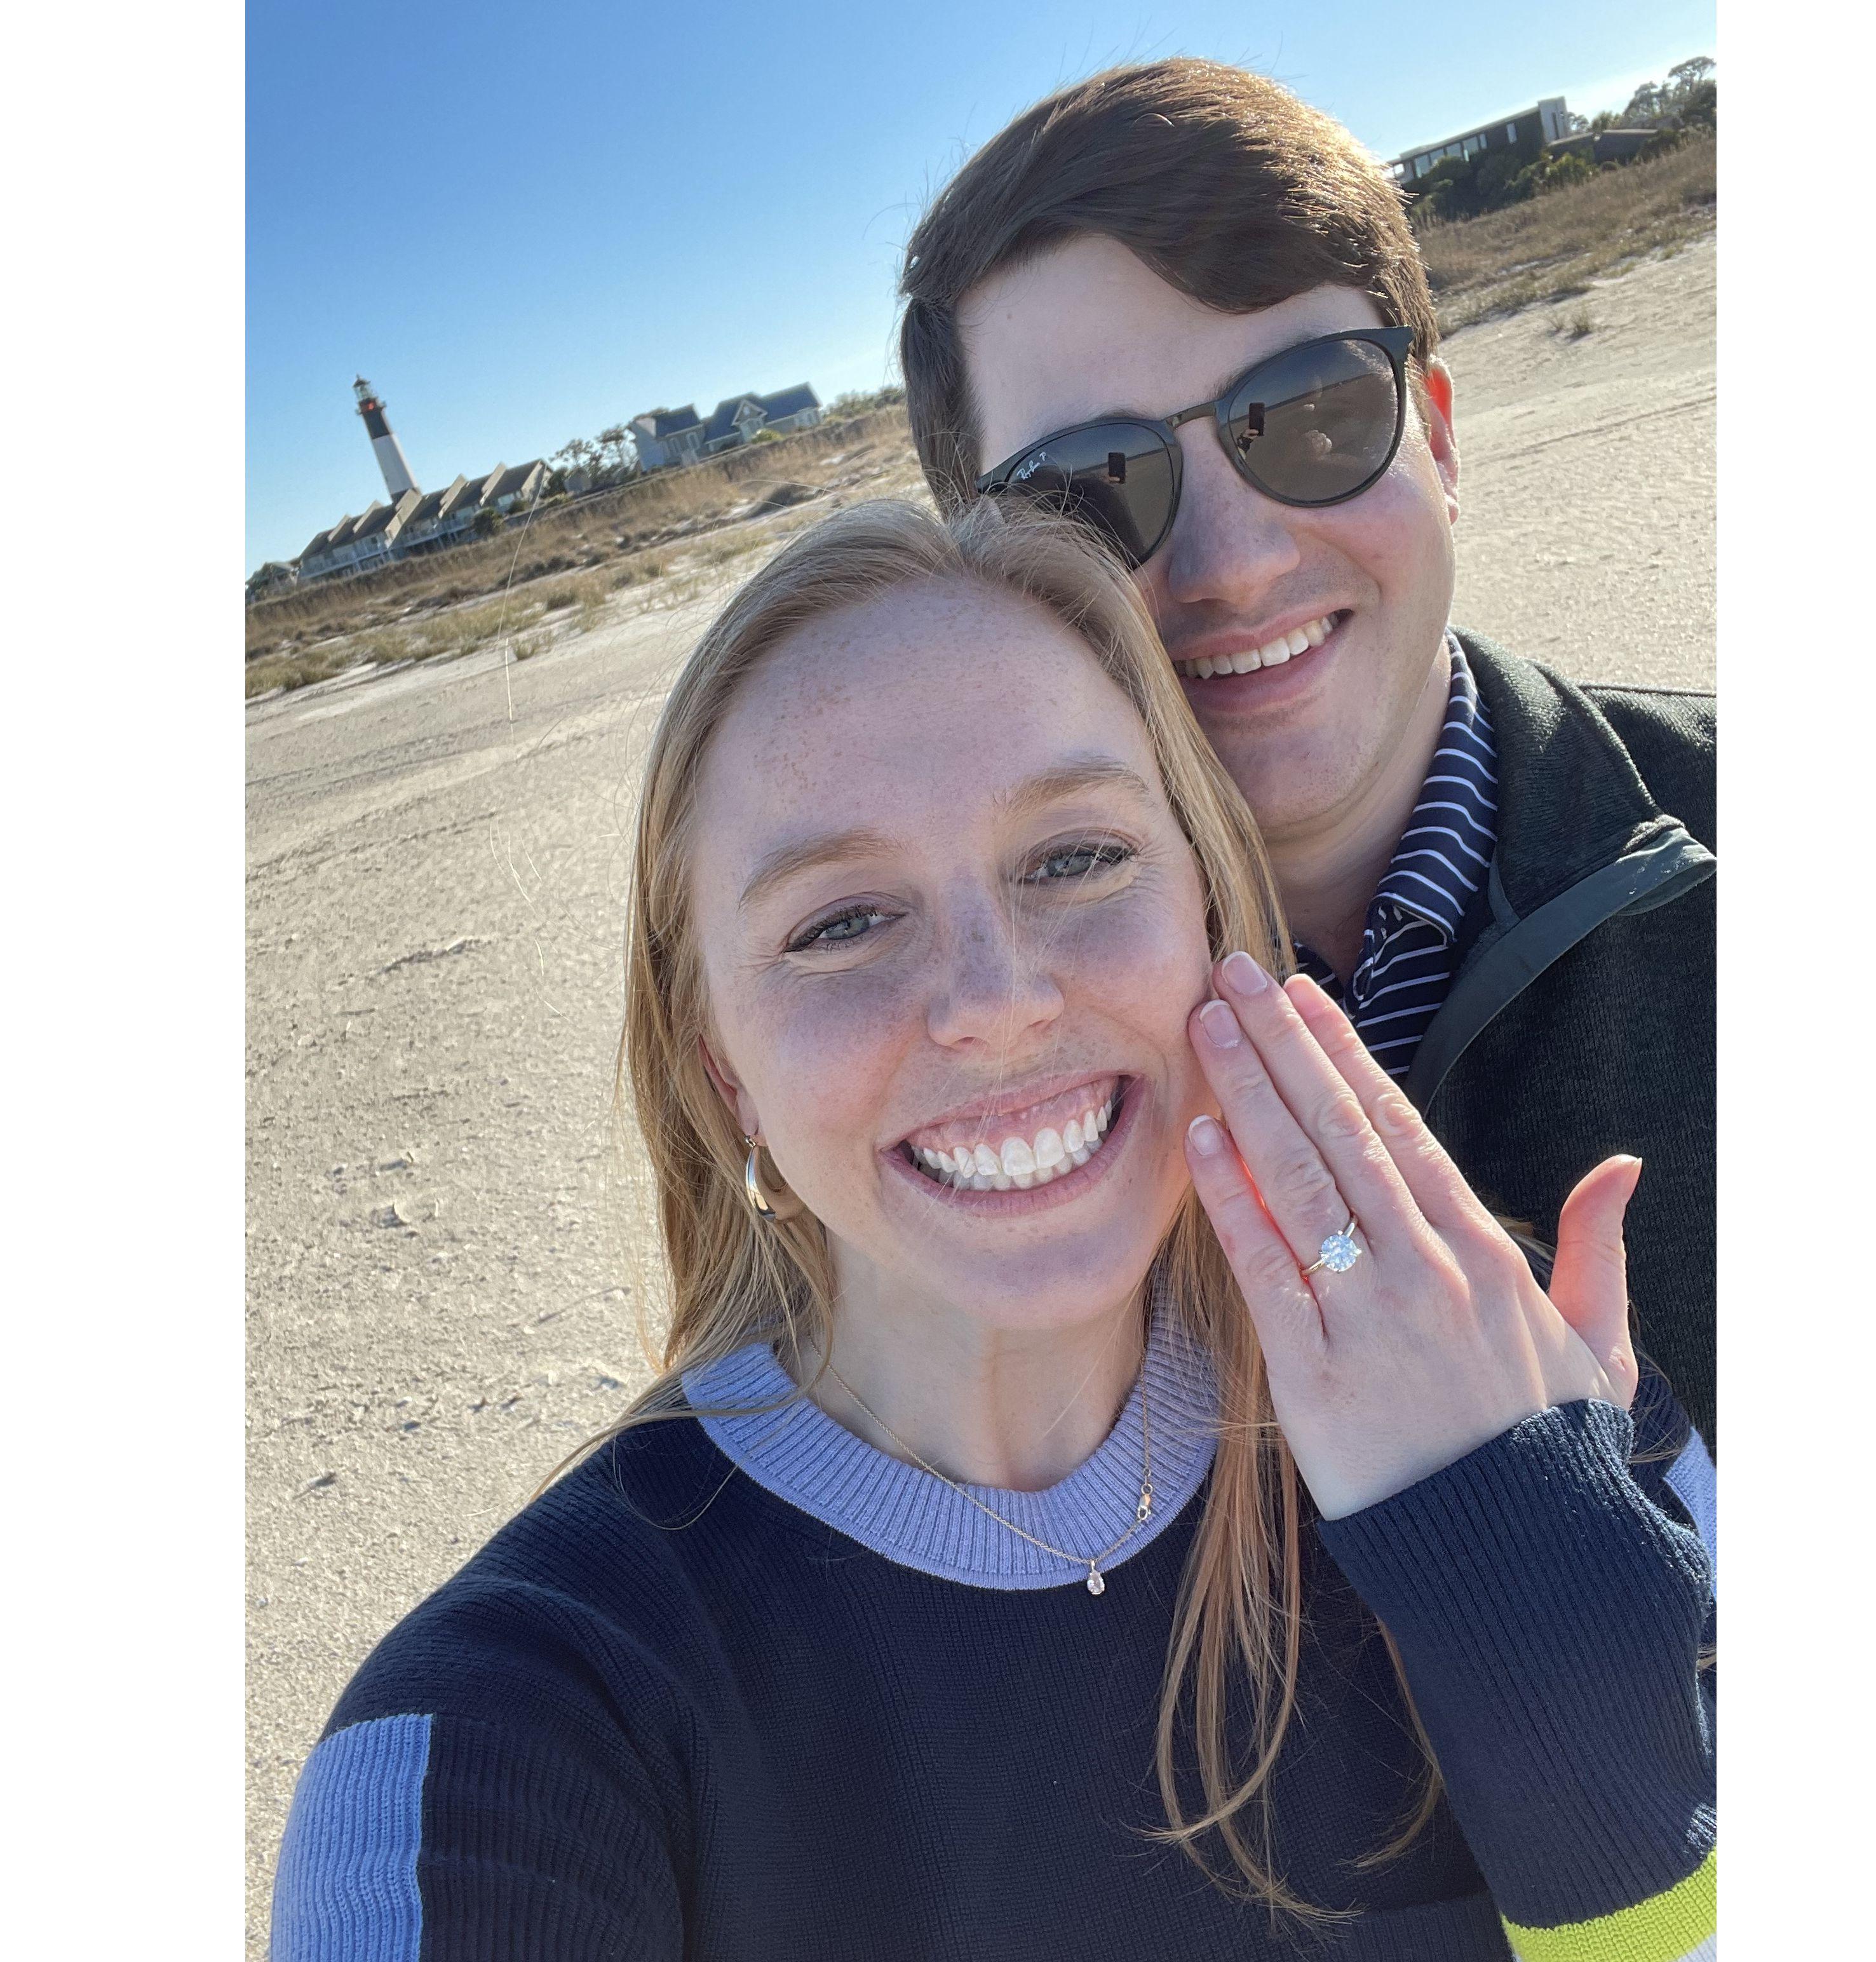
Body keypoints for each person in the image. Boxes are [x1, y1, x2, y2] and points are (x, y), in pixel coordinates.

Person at [269, 501, 1715, 1960]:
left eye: (1074, 857)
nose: (994, 997)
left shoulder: (1495, 1378)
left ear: (1206, 897)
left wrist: (1568, 1679)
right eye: (839, 923)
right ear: (723, 1068)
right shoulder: (512, 1722)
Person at [898, 58, 1718, 1447]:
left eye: (1314, 412)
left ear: (1438, 441)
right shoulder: (948, 1068)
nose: (1234, 562)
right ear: (994, 580)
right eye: (1090, 494)